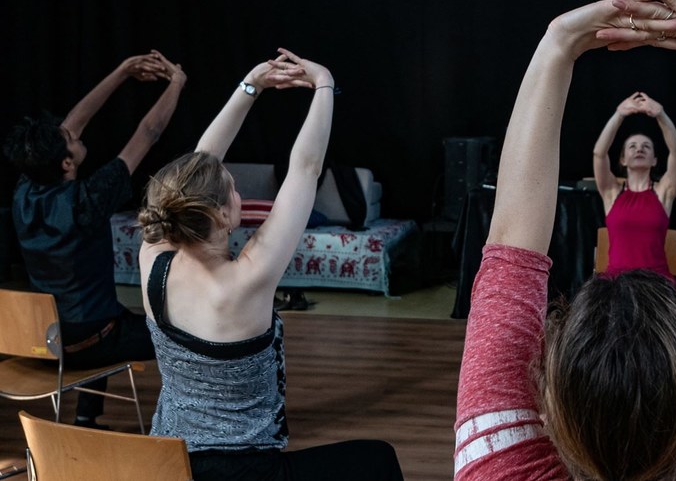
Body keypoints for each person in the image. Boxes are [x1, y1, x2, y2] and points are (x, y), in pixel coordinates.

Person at [454, 0, 676, 481]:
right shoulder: (613, 188)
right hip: (653, 312)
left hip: (653, 301)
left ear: (545, 405)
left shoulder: (496, 470)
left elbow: (508, 253)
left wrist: (559, 44)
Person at [135, 49, 402, 481]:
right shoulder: (250, 278)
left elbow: (195, 168)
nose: (238, 193)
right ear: (222, 215)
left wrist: (251, 86)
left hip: (171, 465)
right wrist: (324, 82)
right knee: (378, 460)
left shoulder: (152, 261)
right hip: (245, 472)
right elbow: (307, 167)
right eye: (233, 189)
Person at [4, 50, 185, 428]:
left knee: (100, 313)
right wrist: (177, 83)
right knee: (182, 333)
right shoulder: (87, 200)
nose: (74, 131)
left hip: (46, 337)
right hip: (92, 341)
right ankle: (188, 421)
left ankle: (86, 418)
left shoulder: (25, 190)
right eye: (69, 139)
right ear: (67, 163)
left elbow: (74, 121)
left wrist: (122, 71)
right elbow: (148, 134)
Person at [593, 91, 676, 282]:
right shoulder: (610, 193)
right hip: (616, 284)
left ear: (654, 161)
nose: (640, 149)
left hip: (656, 285)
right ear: (623, 160)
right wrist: (619, 114)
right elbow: (599, 154)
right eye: (632, 146)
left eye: (646, 146)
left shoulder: (664, 192)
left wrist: (661, 115)